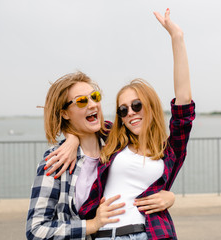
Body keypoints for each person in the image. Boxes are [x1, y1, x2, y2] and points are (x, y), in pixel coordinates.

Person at [46, 9, 195, 239]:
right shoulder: (114, 140)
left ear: (151, 106)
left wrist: (177, 37)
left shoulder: (170, 151)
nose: (130, 113)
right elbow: (84, 125)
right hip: (106, 234)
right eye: (123, 110)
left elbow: (184, 106)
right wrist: (72, 139)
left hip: (149, 234)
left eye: (137, 105)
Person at [26, 67, 175, 239]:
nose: (93, 104)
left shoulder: (116, 142)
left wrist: (169, 196)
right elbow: (35, 229)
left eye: (95, 97)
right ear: (65, 113)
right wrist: (92, 224)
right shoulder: (56, 161)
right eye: (82, 101)